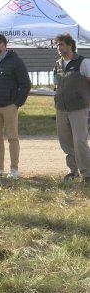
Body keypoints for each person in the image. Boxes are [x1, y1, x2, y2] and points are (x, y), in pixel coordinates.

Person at [0, 34, 31, 178]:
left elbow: (25, 84)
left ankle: (14, 169)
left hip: (9, 105)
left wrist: (17, 103)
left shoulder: (16, 62)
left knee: (12, 137)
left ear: (3, 45)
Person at [53, 33, 90, 182]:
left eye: (61, 44)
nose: (58, 47)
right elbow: (57, 85)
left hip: (78, 108)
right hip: (61, 108)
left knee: (80, 141)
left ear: (70, 45)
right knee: (66, 142)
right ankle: (72, 171)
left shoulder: (83, 62)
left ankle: (87, 173)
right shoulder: (57, 64)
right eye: (57, 45)